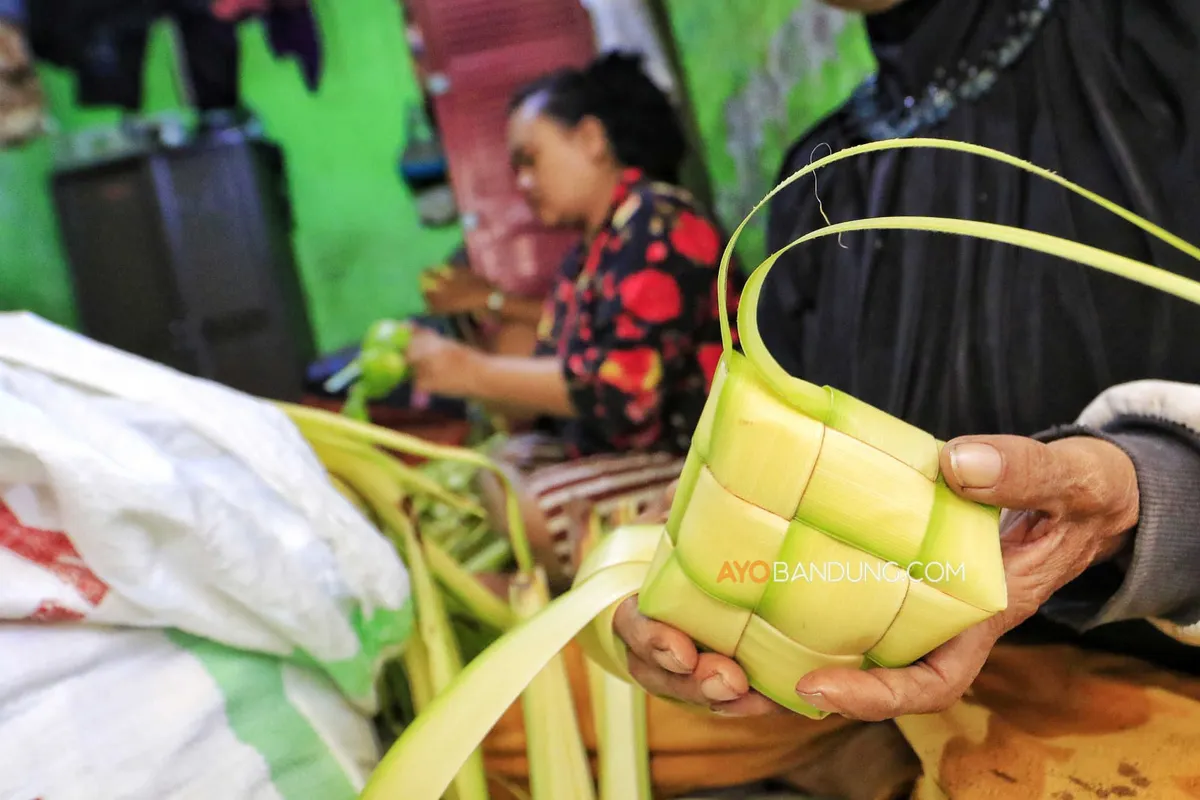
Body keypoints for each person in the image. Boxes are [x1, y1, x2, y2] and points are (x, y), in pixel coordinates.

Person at [606, 1, 1200, 797]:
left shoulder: (1167, 38)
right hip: (922, 715)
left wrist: (1161, 495)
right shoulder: (819, 181)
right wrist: (704, 591)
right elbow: (783, 496)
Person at [404, 52, 743, 583]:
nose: (523, 182)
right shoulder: (590, 252)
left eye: (530, 160)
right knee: (500, 466)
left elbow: (622, 394)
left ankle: (591, 592)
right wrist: (472, 347)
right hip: (632, 450)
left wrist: (472, 372)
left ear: (590, 139)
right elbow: (559, 366)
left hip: (706, 456)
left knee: (532, 507)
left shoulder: (659, 223)